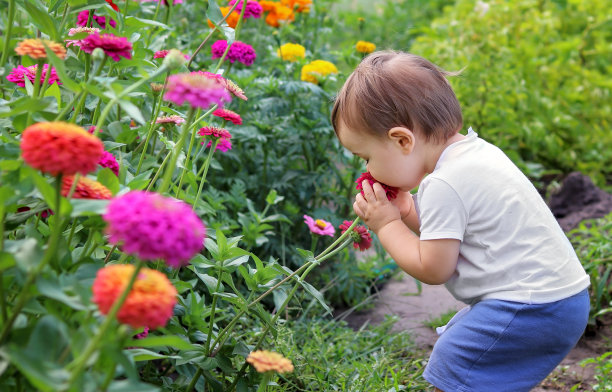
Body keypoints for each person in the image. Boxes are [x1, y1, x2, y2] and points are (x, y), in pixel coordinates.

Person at [331, 50, 591, 392]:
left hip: (531, 306)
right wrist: (407, 211)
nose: (367, 170)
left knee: (454, 363)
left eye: (367, 157)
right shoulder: (474, 155)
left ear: (402, 140)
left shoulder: (444, 183)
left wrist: (386, 225)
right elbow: (446, 234)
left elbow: (433, 267)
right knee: (479, 364)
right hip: (559, 300)